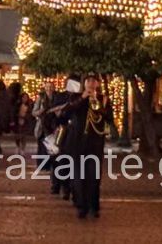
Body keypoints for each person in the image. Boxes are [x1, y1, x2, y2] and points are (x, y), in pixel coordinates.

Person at [63, 75, 113, 219]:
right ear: (84, 83)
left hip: (95, 143)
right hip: (78, 143)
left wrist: (99, 105)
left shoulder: (103, 99)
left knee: (94, 176)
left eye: (94, 81)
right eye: (88, 81)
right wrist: (84, 97)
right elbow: (69, 110)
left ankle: (93, 205)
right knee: (79, 177)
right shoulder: (76, 97)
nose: (91, 83)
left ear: (97, 83)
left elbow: (109, 117)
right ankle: (81, 206)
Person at [32, 82, 57, 171]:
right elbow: (34, 112)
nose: (49, 89)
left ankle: (51, 165)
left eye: (51, 87)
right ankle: (42, 165)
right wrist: (41, 110)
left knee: (51, 146)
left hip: (53, 125)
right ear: (45, 88)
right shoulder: (41, 98)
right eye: (47, 87)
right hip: (42, 125)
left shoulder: (56, 98)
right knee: (42, 146)